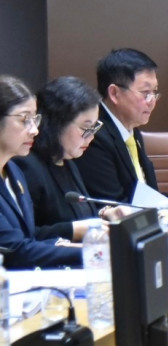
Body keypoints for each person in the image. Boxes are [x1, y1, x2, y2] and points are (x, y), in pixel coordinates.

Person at [76, 48, 168, 211]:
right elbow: (117, 208)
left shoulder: (131, 130)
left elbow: (146, 198)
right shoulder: (94, 137)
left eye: (154, 92)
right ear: (114, 93)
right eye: (145, 93)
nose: (152, 101)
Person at [16, 77, 124, 234]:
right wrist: (73, 230)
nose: (91, 137)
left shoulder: (68, 160)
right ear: (56, 123)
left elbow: (79, 215)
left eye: (94, 128)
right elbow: (25, 236)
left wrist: (105, 213)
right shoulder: (27, 166)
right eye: (85, 128)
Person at [0, 75, 83, 269]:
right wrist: (94, 253)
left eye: (34, 119)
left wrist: (61, 244)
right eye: (24, 120)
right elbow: (15, 251)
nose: (34, 130)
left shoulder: (14, 171)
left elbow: (28, 237)